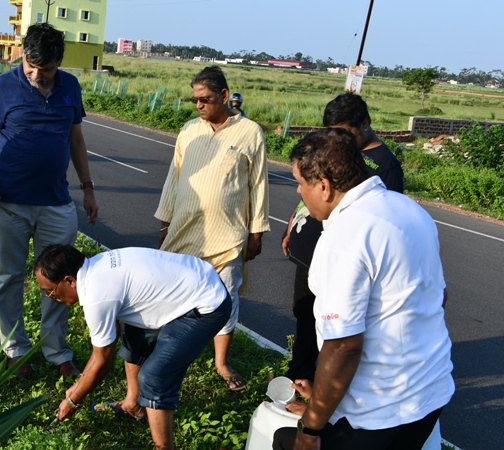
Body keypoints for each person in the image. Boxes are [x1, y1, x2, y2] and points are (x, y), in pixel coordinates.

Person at [272, 128, 453, 450]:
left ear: (324, 186)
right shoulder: (408, 209)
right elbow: (438, 297)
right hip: (430, 392)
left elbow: (343, 346)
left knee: (284, 440)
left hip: (381, 410)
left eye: (301, 183)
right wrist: (326, 399)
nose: (299, 192)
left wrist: (311, 427)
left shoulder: (345, 236)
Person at [0, 22, 98, 379]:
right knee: (9, 277)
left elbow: (76, 141)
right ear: (23, 54)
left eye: (46, 69)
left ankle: (58, 352)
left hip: (56, 202)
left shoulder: (70, 87)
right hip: (9, 202)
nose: (36, 74)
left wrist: (87, 188)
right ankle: (15, 349)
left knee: (62, 278)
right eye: (31, 65)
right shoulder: (2, 87)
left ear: (60, 62)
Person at [34, 245, 231, 450]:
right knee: (134, 333)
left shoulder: (97, 294)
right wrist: (79, 386)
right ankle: (133, 405)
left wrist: (73, 401)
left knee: (155, 377)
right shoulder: (96, 266)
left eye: (51, 291)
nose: (52, 297)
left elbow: (103, 361)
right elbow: (105, 345)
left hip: (206, 304)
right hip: (192, 283)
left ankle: (163, 447)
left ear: (69, 281)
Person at [150, 65, 268, 401]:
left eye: (205, 99)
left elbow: (258, 184)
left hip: (228, 233)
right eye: (195, 100)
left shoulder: (249, 133)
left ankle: (221, 362)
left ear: (224, 97)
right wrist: (165, 220)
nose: (199, 105)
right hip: (185, 228)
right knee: (174, 292)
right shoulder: (189, 131)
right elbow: (174, 178)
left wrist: (257, 231)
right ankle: (168, 351)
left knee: (226, 297)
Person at [281, 92, 404, 382]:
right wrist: (294, 221)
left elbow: (384, 216)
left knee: (332, 324)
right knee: (305, 315)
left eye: (343, 131)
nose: (337, 137)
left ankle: (321, 383)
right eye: (331, 131)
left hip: (342, 259)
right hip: (313, 253)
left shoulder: (384, 164)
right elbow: (311, 185)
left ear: (364, 124)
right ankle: (299, 374)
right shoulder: (336, 149)